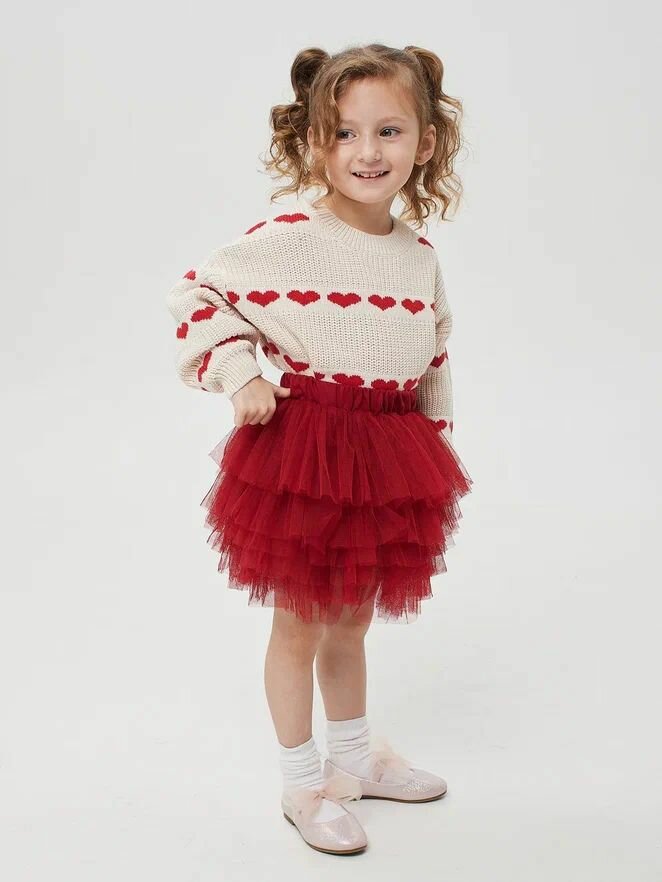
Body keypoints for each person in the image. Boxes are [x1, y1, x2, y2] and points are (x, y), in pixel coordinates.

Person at [166, 42, 474, 855]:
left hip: (388, 456)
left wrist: (434, 458)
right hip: (309, 454)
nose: (366, 152)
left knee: (352, 620)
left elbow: (433, 357)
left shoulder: (418, 257)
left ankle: (354, 758)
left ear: (425, 142)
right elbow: (198, 292)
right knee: (301, 621)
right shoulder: (291, 239)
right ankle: (302, 783)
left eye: (387, 131)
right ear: (313, 142)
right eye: (343, 133)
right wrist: (239, 373)